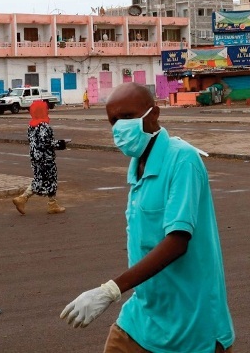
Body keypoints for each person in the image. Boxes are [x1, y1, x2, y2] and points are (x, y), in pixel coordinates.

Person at [60, 83, 235, 352]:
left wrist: (110, 290)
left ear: (154, 114)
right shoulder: (137, 169)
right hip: (142, 317)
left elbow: (177, 241)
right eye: (113, 121)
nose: (120, 127)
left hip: (191, 322)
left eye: (127, 117)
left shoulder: (182, 160)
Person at [12, 100, 67, 215]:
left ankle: (49, 202)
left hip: (35, 157)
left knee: (40, 178)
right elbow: (46, 143)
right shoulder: (44, 126)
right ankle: (26, 199)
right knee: (50, 179)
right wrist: (60, 144)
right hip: (45, 158)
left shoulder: (31, 126)